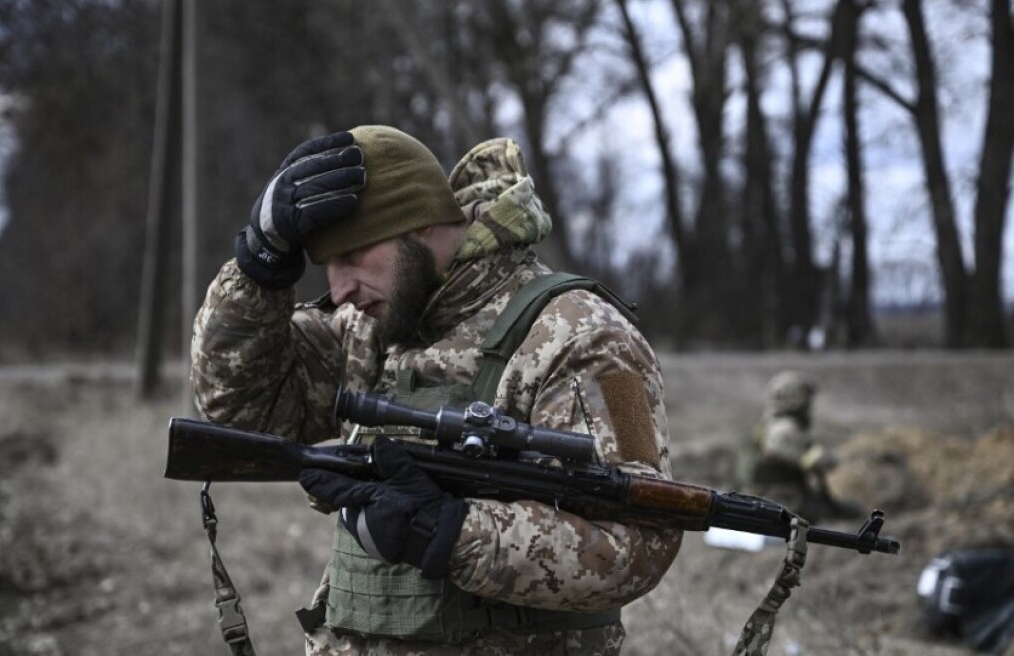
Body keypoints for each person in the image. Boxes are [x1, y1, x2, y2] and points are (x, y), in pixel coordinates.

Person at [190, 125, 682, 654]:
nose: (339, 290)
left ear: (419, 223)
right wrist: (258, 270)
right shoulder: (368, 327)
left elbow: (642, 539)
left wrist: (450, 532)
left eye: (352, 254)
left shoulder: (588, 335)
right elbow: (239, 407)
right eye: (324, 265)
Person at [735, 370, 857, 523]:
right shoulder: (783, 428)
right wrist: (823, 458)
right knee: (852, 512)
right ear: (794, 399)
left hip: (770, 496)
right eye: (806, 399)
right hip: (780, 499)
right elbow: (805, 459)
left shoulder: (771, 423)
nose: (809, 405)